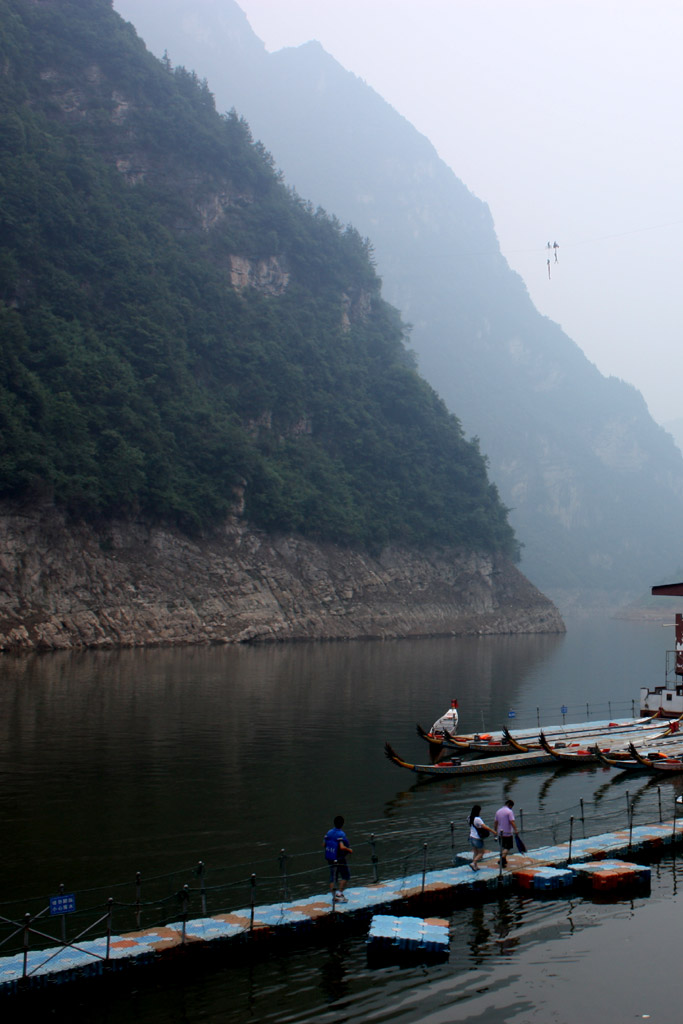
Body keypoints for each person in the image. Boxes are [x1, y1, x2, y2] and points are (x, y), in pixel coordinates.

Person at [323, 815, 353, 902]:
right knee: (345, 876)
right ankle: (339, 894)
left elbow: (324, 844)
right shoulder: (341, 834)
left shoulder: (329, 832)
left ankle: (333, 896)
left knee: (333, 877)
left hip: (330, 857)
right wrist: (349, 850)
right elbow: (342, 846)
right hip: (339, 858)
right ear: (342, 824)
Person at [468, 804, 495, 871]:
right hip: (477, 838)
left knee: (475, 852)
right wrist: (493, 831)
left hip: (471, 837)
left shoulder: (469, 818)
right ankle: (473, 863)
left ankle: (475, 866)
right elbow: (484, 826)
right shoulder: (477, 819)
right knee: (481, 853)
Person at [494, 798, 519, 868]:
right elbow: (512, 821)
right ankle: (501, 859)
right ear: (510, 805)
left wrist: (495, 831)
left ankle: (504, 859)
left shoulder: (498, 811)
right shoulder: (509, 812)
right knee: (508, 847)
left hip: (500, 833)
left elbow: (495, 822)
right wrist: (516, 830)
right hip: (507, 832)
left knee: (503, 846)